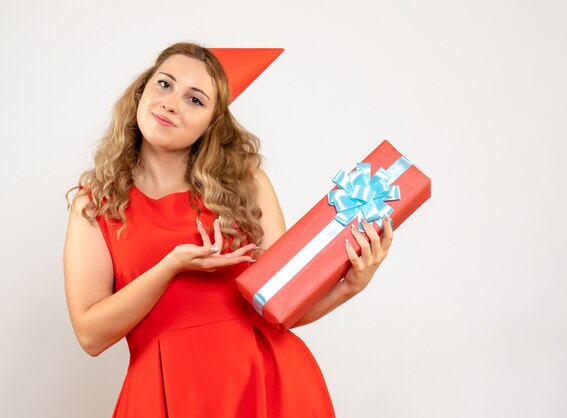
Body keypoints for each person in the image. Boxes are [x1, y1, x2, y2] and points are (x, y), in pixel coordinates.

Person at [63, 42, 393, 418]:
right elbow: (90, 335)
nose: (171, 103)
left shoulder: (248, 184)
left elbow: (282, 307)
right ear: (141, 91)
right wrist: (171, 266)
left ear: (212, 123)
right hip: (165, 389)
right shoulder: (95, 205)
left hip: (268, 380)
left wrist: (349, 286)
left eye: (195, 100)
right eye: (165, 84)